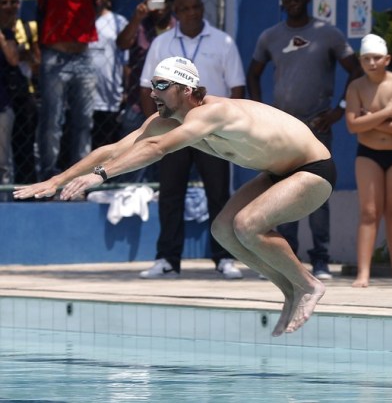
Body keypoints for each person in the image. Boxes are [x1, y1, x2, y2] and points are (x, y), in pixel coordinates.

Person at [14, 56, 334, 336]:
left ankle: (308, 284)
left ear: (186, 89)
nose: (153, 92)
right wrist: (58, 179)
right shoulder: (166, 120)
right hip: (278, 173)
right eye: (153, 84)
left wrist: (99, 177)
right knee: (223, 230)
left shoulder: (212, 113)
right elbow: (114, 148)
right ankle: (289, 290)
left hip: (313, 169)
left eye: (162, 85)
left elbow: (156, 149)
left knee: (248, 224)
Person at [247, 0, 362, 280]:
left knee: (316, 192)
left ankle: (321, 260)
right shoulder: (269, 36)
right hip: (283, 130)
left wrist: (338, 109)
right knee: (281, 191)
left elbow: (355, 69)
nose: (294, 1)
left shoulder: (328, 34)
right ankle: (287, 255)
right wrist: (261, 114)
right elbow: (253, 73)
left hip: (316, 126)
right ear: (282, 2)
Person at [137, 0, 246, 279]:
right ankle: (168, 260)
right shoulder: (162, 43)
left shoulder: (223, 42)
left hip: (212, 131)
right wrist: (156, 124)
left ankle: (224, 258)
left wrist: (228, 126)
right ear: (176, 12)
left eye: (197, 6)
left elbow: (236, 87)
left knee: (219, 194)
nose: (193, 13)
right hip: (175, 128)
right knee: (171, 194)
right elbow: (146, 87)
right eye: (185, 8)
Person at [11, 0, 119, 181]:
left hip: (83, 56)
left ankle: (78, 177)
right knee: (52, 120)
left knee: (83, 121)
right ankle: (49, 175)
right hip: (54, 57)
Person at [345, 34, 392, 287]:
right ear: (360, 60)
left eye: (376, 58)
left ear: (387, 59)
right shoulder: (356, 87)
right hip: (368, 154)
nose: (372, 63)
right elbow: (353, 126)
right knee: (368, 213)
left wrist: (372, 120)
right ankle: (363, 274)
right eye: (366, 59)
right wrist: (387, 114)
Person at [117, 0, 176, 143]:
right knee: (131, 157)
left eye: (161, 1)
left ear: (171, 3)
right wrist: (136, 19)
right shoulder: (141, 26)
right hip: (137, 103)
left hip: (171, 106)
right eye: (153, 0)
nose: (157, 8)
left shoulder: (179, 29)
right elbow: (122, 44)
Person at [0, 0, 39, 187]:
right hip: (4, 94)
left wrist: (24, 52)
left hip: (23, 93)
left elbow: (32, 59)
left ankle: (25, 190)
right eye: (3, 2)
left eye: (12, 2)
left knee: (23, 147)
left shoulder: (25, 27)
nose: (9, 7)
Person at [89, 0, 129, 149]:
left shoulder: (118, 22)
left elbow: (125, 60)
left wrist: (125, 91)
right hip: (80, 98)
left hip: (108, 98)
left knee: (105, 151)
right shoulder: (80, 20)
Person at [0, 2, 19, 201]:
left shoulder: (6, 34)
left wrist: (2, 39)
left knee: (3, 163)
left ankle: (5, 204)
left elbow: (14, 59)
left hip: (2, 106)